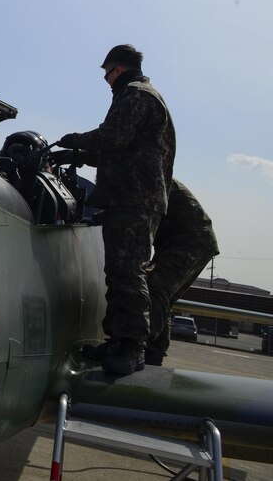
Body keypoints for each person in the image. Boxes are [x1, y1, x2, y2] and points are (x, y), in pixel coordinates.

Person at [57, 44, 175, 375]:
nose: (106, 79)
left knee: (128, 272)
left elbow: (115, 136)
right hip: (129, 196)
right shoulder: (137, 95)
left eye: (106, 72)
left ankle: (133, 346)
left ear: (118, 69)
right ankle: (119, 339)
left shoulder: (137, 95)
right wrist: (80, 156)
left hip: (134, 199)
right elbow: (124, 149)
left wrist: (75, 140)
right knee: (118, 271)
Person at [145, 179, 219, 365]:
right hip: (190, 241)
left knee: (156, 287)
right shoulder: (149, 174)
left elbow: (136, 214)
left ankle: (139, 344)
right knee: (163, 295)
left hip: (190, 241)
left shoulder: (148, 177)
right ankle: (154, 351)